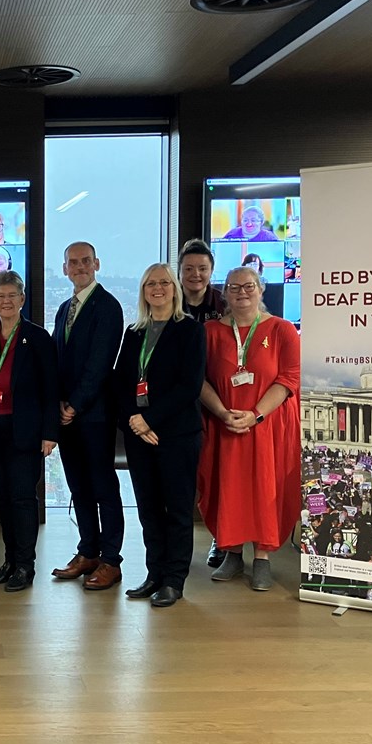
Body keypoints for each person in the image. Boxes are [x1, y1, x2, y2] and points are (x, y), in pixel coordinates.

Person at [198, 265, 301, 592]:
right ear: (224, 293)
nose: (242, 292)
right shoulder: (210, 332)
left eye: (249, 286)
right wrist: (223, 412)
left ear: (261, 290)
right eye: (234, 287)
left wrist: (255, 414)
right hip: (225, 423)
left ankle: (263, 558)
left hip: (267, 426)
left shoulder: (282, 330)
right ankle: (231, 552)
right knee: (228, 487)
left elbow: (289, 379)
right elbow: (197, 379)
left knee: (264, 489)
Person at [113, 263, 206, 608]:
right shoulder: (134, 332)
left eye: (164, 282)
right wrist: (134, 421)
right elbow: (121, 383)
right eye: (151, 283)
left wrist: (149, 420)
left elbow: (189, 386)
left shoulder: (190, 331)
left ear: (174, 289)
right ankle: (154, 574)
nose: (158, 288)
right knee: (149, 509)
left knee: (177, 510)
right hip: (139, 435)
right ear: (143, 290)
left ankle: (173, 580)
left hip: (176, 435)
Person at [0, 271, 59, 592]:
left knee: (22, 498)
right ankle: (9, 560)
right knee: (3, 497)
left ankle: (25, 565)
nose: (6, 301)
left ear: (22, 299)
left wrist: (50, 433)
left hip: (26, 431)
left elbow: (51, 388)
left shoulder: (37, 338)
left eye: (12, 296)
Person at [51, 242, 125, 591]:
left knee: (103, 486)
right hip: (68, 417)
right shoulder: (64, 309)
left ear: (96, 263)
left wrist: (74, 405)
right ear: (64, 269)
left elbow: (100, 364)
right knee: (78, 486)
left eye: (85, 261)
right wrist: (58, 403)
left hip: (93, 414)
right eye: (72, 263)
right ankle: (88, 551)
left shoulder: (108, 307)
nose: (79, 267)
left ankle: (111, 560)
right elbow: (58, 362)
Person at [178, 238, 228, 568]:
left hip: (220, 399)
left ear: (211, 272)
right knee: (186, 476)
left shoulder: (225, 303)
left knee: (221, 475)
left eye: (203, 268)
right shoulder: (168, 301)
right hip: (180, 403)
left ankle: (222, 540)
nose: (196, 274)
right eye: (189, 269)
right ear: (179, 272)